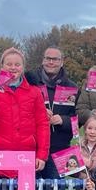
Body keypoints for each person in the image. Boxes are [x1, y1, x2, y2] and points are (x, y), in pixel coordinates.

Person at [0, 48, 50, 173]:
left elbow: (42, 124)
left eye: (17, 64)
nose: (13, 68)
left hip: (27, 158)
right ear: (2, 66)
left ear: (23, 67)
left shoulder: (34, 92)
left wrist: (42, 155)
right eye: (9, 64)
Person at [31, 46, 80, 179]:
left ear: (62, 62)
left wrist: (63, 120)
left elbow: (79, 120)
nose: (51, 62)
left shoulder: (72, 87)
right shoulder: (31, 84)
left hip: (60, 148)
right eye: (48, 58)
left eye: (55, 59)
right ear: (43, 61)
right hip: (33, 148)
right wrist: (38, 113)